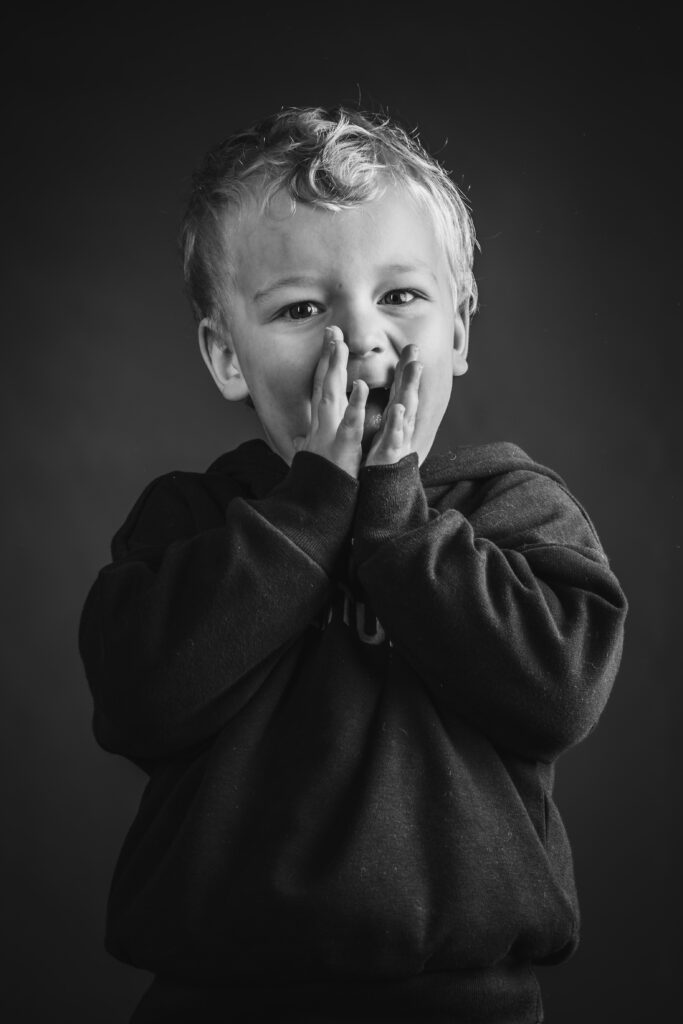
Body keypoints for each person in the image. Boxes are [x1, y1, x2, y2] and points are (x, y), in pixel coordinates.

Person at [79, 106, 627, 1023]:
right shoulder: (191, 522)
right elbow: (140, 697)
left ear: (458, 327)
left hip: (468, 1002)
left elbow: (556, 694)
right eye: (301, 309)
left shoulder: (512, 506)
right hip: (217, 1003)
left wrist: (395, 516)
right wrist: (316, 503)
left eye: (401, 296)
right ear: (226, 356)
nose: (360, 341)